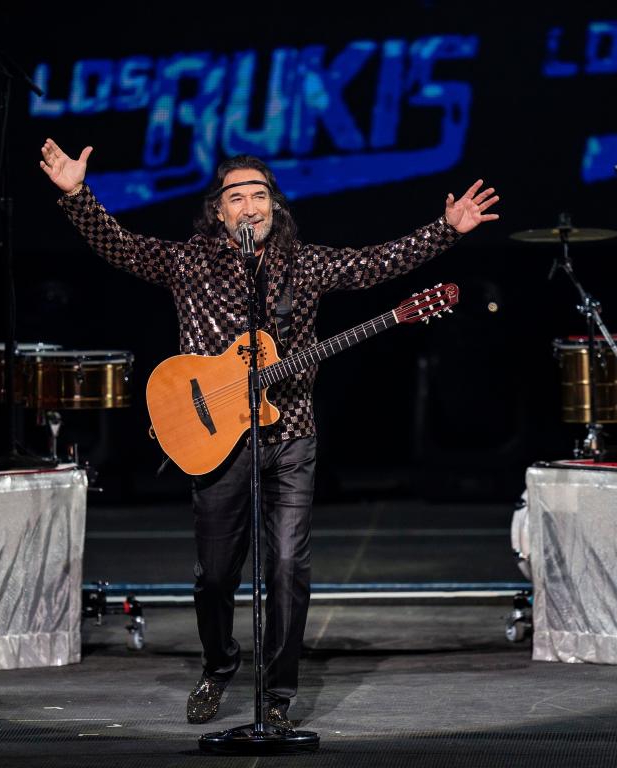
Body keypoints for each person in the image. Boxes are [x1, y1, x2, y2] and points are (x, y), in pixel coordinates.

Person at [40, 139, 499, 729]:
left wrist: (446, 229)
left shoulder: (303, 266)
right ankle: (218, 663)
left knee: (287, 566)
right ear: (219, 211)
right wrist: (78, 196)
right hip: (214, 439)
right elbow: (121, 247)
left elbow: (377, 262)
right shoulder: (189, 263)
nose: (250, 205)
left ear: (275, 208)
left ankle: (278, 691)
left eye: (260, 195)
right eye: (237, 196)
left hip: (292, 436)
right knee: (215, 576)